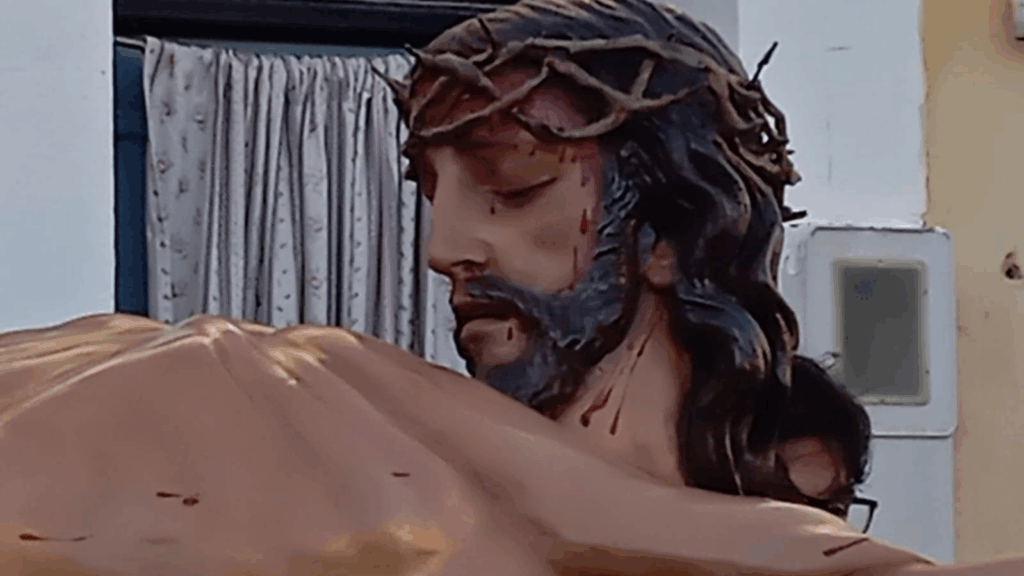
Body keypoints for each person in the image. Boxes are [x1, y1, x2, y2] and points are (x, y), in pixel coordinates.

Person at [0, 0, 1022, 574]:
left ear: (670, 234)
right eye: (432, 194)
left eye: (511, 185)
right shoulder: (306, 405)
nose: (444, 248)